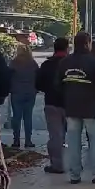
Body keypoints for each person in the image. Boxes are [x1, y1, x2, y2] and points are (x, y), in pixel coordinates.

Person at [56, 32, 95, 185]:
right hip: (92, 109)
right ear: (88, 43)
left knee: (73, 142)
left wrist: (67, 100)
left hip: (72, 108)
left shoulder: (64, 62)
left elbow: (58, 86)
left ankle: (74, 175)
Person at [36, 37, 69, 175]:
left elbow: (38, 84)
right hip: (70, 104)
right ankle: (75, 164)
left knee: (56, 135)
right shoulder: (70, 64)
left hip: (51, 103)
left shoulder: (47, 65)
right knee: (71, 135)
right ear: (67, 48)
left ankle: (57, 165)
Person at [7, 43, 39, 149]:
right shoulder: (33, 63)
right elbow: (38, 76)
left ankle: (16, 140)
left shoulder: (14, 63)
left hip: (16, 92)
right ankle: (28, 141)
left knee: (16, 117)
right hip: (30, 92)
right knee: (28, 117)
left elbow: (8, 75)